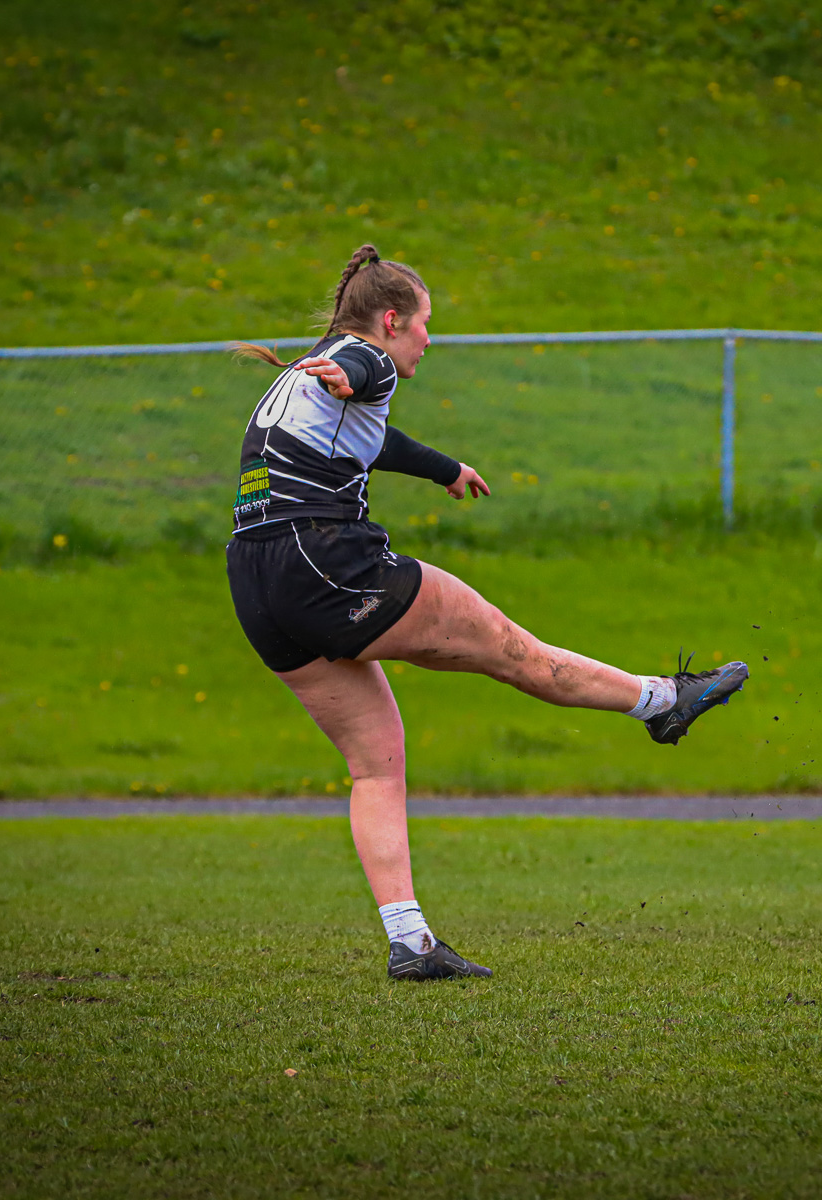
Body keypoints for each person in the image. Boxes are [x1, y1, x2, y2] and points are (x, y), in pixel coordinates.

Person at [226, 244, 749, 981]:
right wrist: (356, 369)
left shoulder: (309, 374)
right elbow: (365, 370)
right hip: (323, 560)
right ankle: (664, 700)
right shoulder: (356, 356)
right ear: (390, 319)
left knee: (376, 763)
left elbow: (375, 439)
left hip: (255, 581)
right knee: (514, 651)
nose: (429, 340)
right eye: (424, 324)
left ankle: (410, 943)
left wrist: (447, 469)